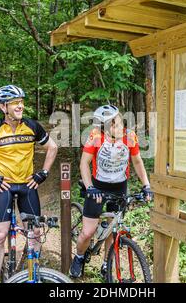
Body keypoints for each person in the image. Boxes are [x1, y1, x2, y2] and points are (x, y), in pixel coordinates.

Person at [0, 84, 58, 283]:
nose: (20, 106)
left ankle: (31, 273)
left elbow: (52, 147)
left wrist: (43, 173)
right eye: (15, 103)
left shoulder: (32, 126)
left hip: (27, 186)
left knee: (35, 232)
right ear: (3, 107)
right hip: (3, 188)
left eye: (21, 102)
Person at [69, 104, 153, 278]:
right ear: (104, 128)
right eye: (114, 125)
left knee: (112, 230)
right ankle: (78, 257)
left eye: (120, 122)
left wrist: (146, 185)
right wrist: (90, 187)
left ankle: (107, 263)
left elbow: (137, 162)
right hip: (98, 187)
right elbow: (84, 163)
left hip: (119, 186)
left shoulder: (130, 137)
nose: (119, 128)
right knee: (88, 232)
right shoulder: (95, 136)